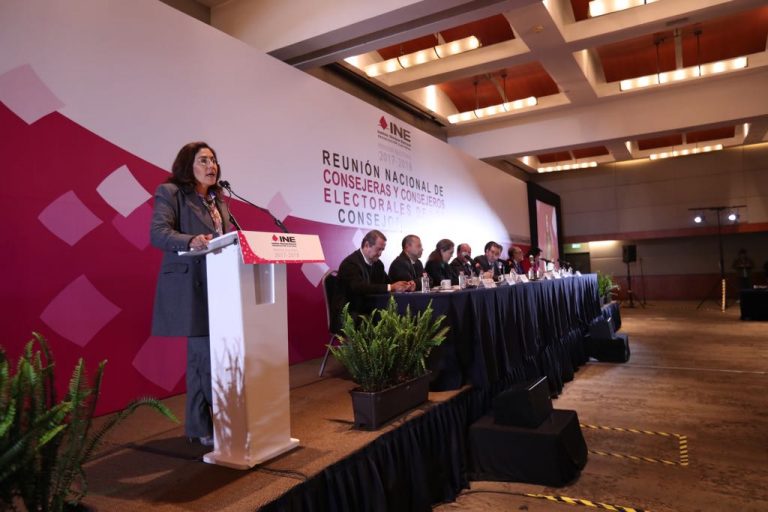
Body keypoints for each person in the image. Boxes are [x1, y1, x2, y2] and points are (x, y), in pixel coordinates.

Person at [150, 141, 234, 447]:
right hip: (191, 286)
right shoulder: (171, 193)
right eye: (203, 160)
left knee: (207, 359)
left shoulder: (218, 201)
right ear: (189, 165)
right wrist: (190, 240)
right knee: (203, 358)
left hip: (220, 286)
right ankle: (214, 425)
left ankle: (202, 426)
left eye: (213, 160)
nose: (211, 166)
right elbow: (158, 233)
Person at [334, 230, 414, 323]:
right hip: (350, 314)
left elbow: (388, 283)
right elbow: (359, 288)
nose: (380, 253)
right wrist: (391, 287)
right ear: (367, 245)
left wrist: (404, 286)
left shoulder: (378, 264)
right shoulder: (350, 264)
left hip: (369, 310)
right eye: (378, 249)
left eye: (382, 250)